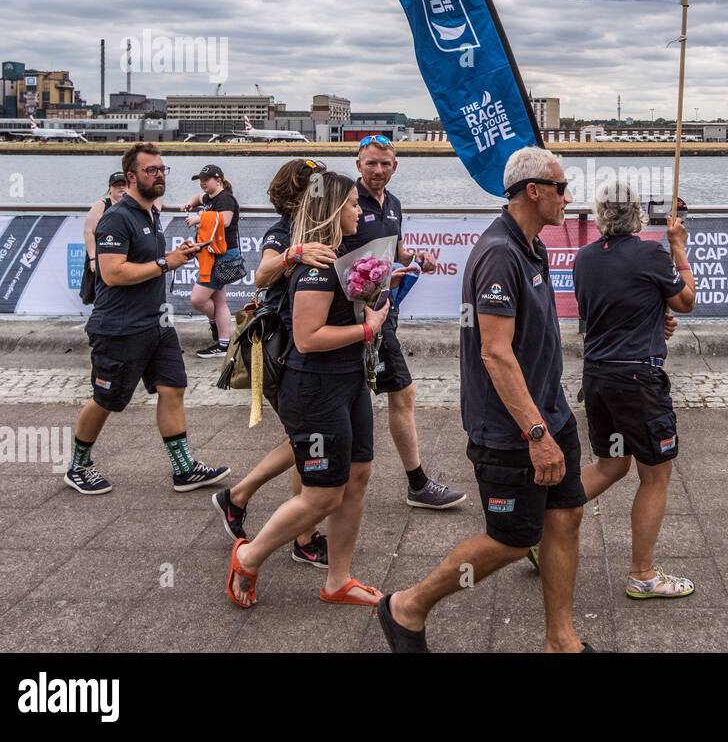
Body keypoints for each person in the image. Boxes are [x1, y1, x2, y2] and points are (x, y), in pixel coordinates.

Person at [377, 147, 591, 653]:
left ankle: (562, 641)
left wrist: (549, 421)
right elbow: (495, 354)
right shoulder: (500, 253)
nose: (568, 197)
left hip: (550, 411)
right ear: (533, 191)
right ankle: (407, 606)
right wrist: (536, 434)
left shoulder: (531, 244)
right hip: (514, 427)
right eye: (561, 188)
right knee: (512, 539)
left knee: (566, 516)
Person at [226, 172, 390, 608]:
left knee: (358, 476)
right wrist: (367, 327)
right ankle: (249, 555)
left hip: (348, 381)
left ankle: (338, 580)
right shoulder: (316, 268)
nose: (361, 211)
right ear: (335, 210)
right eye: (354, 204)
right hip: (315, 389)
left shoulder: (339, 255)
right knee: (322, 493)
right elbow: (308, 338)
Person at [555, 178, 697, 599]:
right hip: (639, 379)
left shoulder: (583, 259)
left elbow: (618, 307)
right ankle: (643, 574)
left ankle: (541, 529)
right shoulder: (652, 252)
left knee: (611, 465)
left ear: (599, 215)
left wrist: (656, 319)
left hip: (598, 376)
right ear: (637, 213)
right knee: (655, 474)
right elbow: (686, 301)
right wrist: (679, 248)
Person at [63, 143, 229, 495]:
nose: (159, 176)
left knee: (173, 388)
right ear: (131, 177)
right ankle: (78, 466)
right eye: (151, 170)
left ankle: (184, 469)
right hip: (119, 327)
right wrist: (165, 263)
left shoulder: (150, 215)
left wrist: (175, 255)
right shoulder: (116, 218)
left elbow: (151, 263)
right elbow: (112, 274)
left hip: (158, 324)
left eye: (162, 170)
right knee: (106, 399)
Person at [212, 158, 338, 568]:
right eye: (318, 188)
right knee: (305, 440)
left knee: (302, 440)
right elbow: (261, 274)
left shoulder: (317, 228)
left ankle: (247, 501)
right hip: (285, 349)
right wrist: (294, 254)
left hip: (305, 350)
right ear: (301, 194)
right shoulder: (283, 231)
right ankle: (291, 530)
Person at [341, 135, 465, 510]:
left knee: (360, 397)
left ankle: (328, 473)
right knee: (397, 392)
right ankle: (416, 483)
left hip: (382, 312)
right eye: (371, 163)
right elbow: (333, 253)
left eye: (386, 164)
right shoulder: (344, 203)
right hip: (352, 315)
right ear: (358, 164)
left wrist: (417, 257)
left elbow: (395, 251)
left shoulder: (393, 203)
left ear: (395, 166)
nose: (378, 171)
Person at [184, 164, 241, 359]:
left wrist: (198, 217)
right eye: (200, 180)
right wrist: (191, 204)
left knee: (198, 298)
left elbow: (224, 220)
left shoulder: (226, 199)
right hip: (213, 254)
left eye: (206, 180)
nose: (202, 184)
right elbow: (198, 198)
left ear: (219, 180)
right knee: (220, 301)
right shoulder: (210, 197)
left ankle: (216, 324)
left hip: (224, 255)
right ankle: (224, 343)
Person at [82, 171, 128, 273]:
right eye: (117, 185)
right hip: (100, 257)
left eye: (124, 184)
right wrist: (93, 258)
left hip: (122, 258)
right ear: (110, 188)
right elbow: (88, 232)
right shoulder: (101, 205)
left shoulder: (132, 207)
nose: (121, 187)